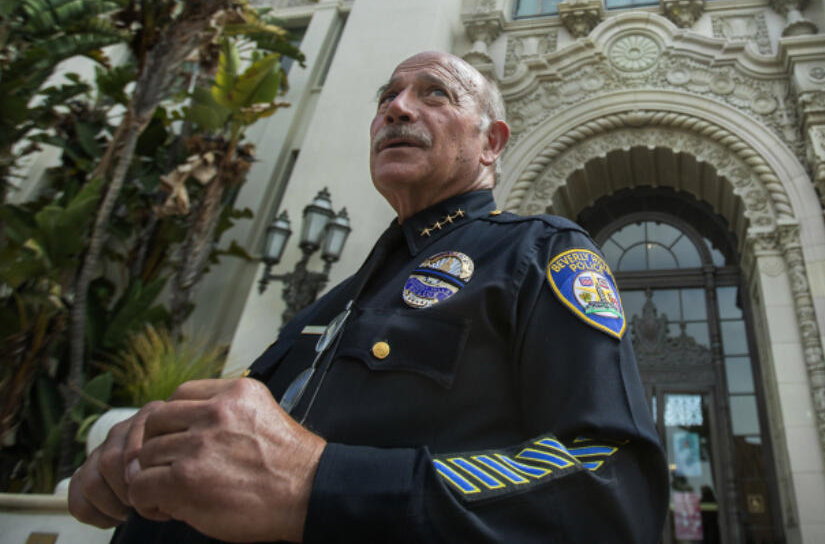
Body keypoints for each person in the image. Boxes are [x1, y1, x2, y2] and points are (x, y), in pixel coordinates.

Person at [68, 50, 669, 543]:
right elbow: (237, 451)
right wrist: (157, 448)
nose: (397, 108)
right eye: (386, 97)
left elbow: (609, 484)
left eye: (434, 93)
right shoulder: (326, 305)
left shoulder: (539, 253)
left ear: (491, 143)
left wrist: (317, 480)